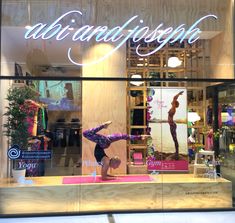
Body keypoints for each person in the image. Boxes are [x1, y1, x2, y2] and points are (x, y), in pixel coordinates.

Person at [83, 121, 148, 180]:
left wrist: (113, 176)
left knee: (122, 136)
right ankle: (103, 126)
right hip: (104, 142)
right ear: (114, 163)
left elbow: (104, 175)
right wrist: (115, 178)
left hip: (104, 142)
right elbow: (104, 177)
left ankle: (140, 137)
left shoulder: (106, 162)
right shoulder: (106, 162)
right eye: (117, 166)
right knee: (85, 133)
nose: (116, 168)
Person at [168, 91, 184, 160]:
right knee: (174, 139)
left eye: (173, 102)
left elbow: (174, 98)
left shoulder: (173, 108)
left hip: (172, 126)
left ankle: (177, 152)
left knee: (175, 139)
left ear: (175, 104)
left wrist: (178, 94)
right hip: (172, 125)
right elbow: (174, 99)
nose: (172, 101)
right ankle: (176, 152)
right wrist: (179, 94)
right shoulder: (172, 107)